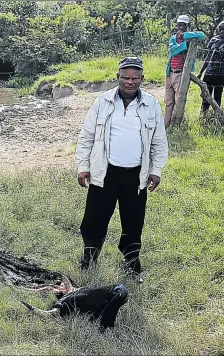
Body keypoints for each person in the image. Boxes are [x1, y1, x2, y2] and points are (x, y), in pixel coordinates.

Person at [75, 57, 168, 283]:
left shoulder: (151, 105)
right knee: (94, 218)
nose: (130, 82)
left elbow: (159, 141)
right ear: (118, 78)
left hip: (136, 174)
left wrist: (155, 170)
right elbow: (86, 136)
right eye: (125, 77)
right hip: (105, 172)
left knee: (134, 220)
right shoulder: (102, 101)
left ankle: (132, 262)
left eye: (135, 78)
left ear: (142, 79)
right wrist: (83, 166)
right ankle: (90, 256)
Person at [164, 15, 205, 126]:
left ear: (187, 26)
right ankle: (165, 124)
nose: (181, 27)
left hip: (181, 73)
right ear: (177, 25)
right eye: (179, 24)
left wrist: (186, 36)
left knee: (179, 99)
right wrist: (184, 45)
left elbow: (202, 35)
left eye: (184, 25)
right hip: (170, 73)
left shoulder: (189, 36)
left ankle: (175, 123)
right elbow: (172, 50)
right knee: (168, 100)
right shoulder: (173, 38)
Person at [197, 20, 224, 112]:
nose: (222, 31)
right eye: (220, 29)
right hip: (209, 72)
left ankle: (217, 115)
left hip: (221, 73)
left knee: (218, 95)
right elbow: (208, 56)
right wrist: (201, 72)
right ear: (218, 30)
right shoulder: (213, 40)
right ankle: (204, 114)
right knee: (206, 94)